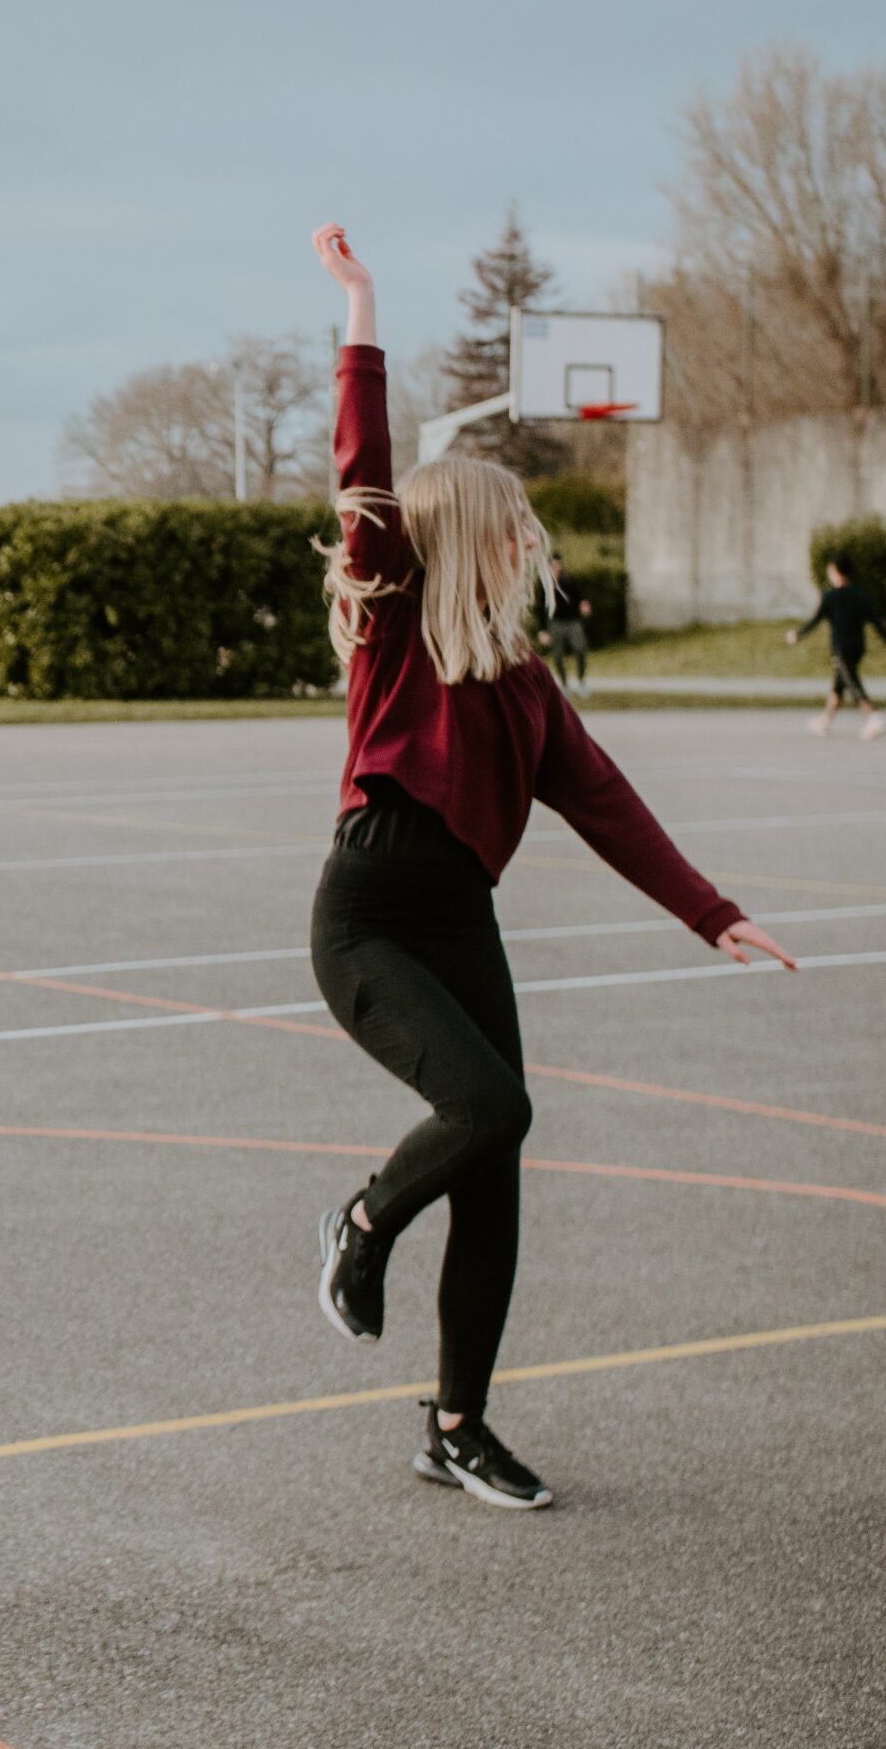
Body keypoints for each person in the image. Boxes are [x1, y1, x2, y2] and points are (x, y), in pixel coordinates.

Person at [306, 224, 795, 1511]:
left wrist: (713, 912)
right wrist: (360, 306)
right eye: (517, 524)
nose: (536, 540)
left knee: (497, 1170)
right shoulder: (394, 625)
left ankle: (455, 1424)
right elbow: (361, 469)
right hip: (368, 919)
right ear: (470, 536)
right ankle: (359, 1226)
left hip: (461, 917)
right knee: (491, 1108)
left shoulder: (525, 689)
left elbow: (610, 807)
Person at [788, 557, 886, 740]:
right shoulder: (861, 595)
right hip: (858, 646)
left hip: (841, 647)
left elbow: (815, 620)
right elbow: (876, 620)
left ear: (836, 572)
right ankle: (825, 720)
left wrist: (798, 634)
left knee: (851, 682)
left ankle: (874, 718)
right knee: (838, 685)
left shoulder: (831, 596)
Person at [535, 551, 593, 698]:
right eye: (553, 565)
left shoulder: (569, 580)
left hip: (572, 620)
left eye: (558, 564)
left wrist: (583, 605)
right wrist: (542, 630)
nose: (557, 567)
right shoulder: (544, 583)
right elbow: (540, 608)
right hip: (556, 622)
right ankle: (564, 684)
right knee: (558, 654)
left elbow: (580, 597)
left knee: (580, 649)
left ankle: (581, 681)